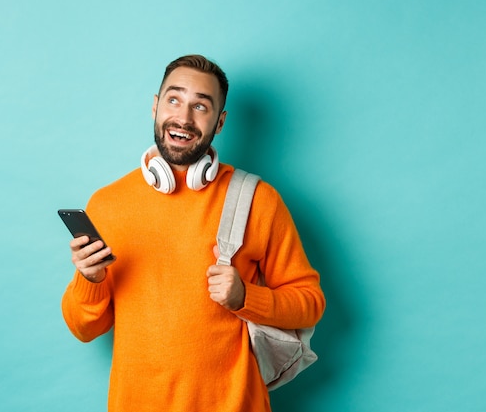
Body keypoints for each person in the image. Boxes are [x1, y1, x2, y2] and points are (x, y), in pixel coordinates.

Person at [61, 54, 325, 412]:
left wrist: (246, 296)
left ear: (220, 122)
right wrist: (89, 278)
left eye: (201, 106)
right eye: (174, 100)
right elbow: (84, 329)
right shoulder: (108, 204)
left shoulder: (257, 200)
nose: (183, 118)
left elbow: (310, 303)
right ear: (155, 106)